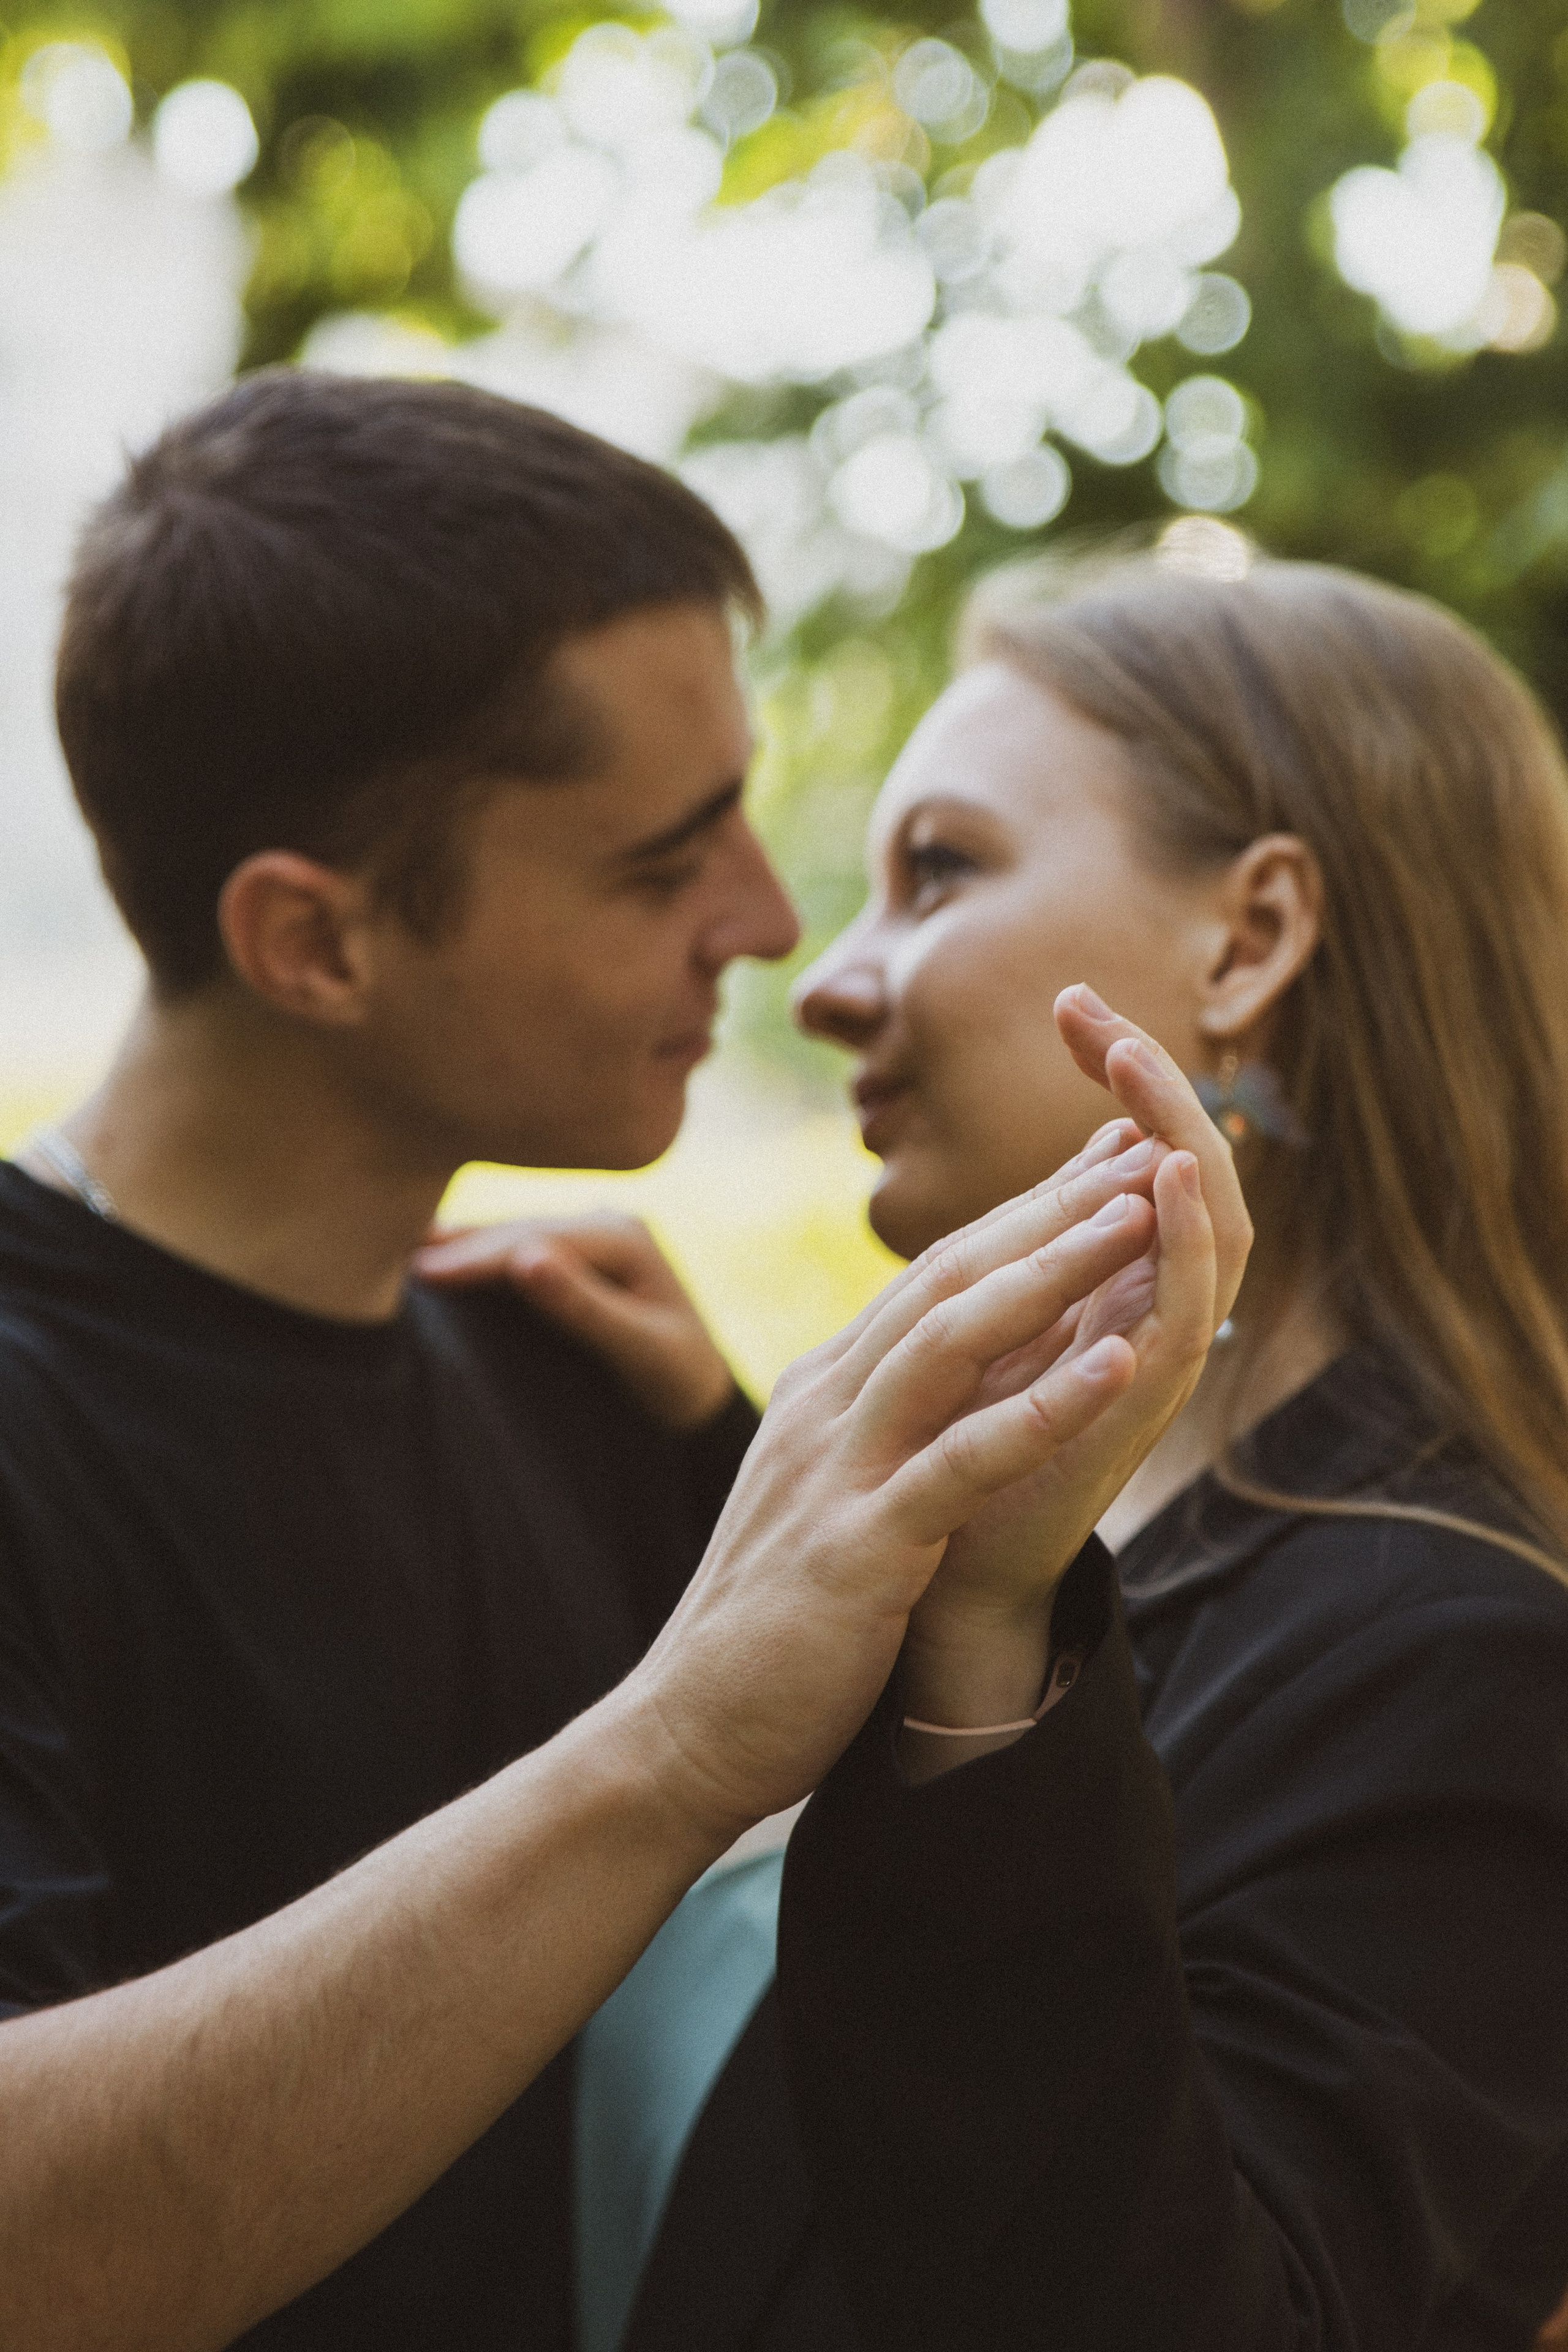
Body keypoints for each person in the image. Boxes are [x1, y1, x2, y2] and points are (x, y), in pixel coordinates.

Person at [0, 369, 1246, 2351]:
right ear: (314, 945)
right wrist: (667, 1750)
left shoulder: (578, 1372)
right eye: (661, 866)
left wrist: (753, 1463)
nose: (770, 923)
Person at [561, 549, 1568, 2349]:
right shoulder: (1136, 1530)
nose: (827, 979)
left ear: (1247, 941)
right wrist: (722, 1456)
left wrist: (983, 1659)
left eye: (936, 868)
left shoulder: (1482, 1657)